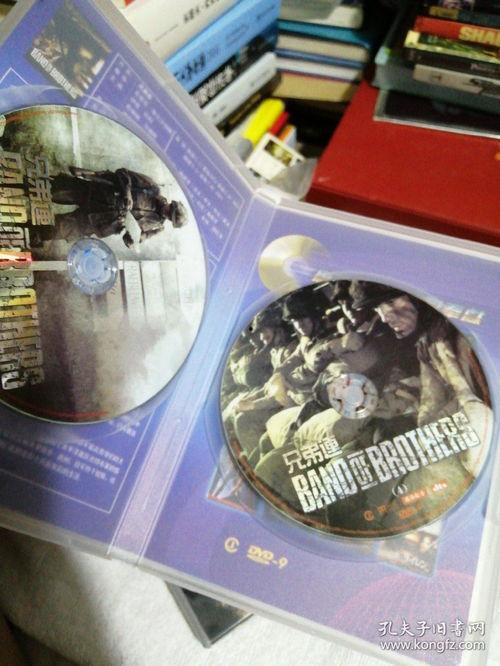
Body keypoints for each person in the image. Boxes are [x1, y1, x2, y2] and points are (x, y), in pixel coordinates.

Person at [50, 167, 187, 247]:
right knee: (55, 190)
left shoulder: (157, 225)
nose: (166, 214)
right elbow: (123, 173)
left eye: (170, 218)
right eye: (170, 211)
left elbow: (139, 237)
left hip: (101, 222)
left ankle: (39, 231)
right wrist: (127, 193)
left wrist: (130, 239)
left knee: (59, 229)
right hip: (97, 193)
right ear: (171, 204)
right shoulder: (152, 188)